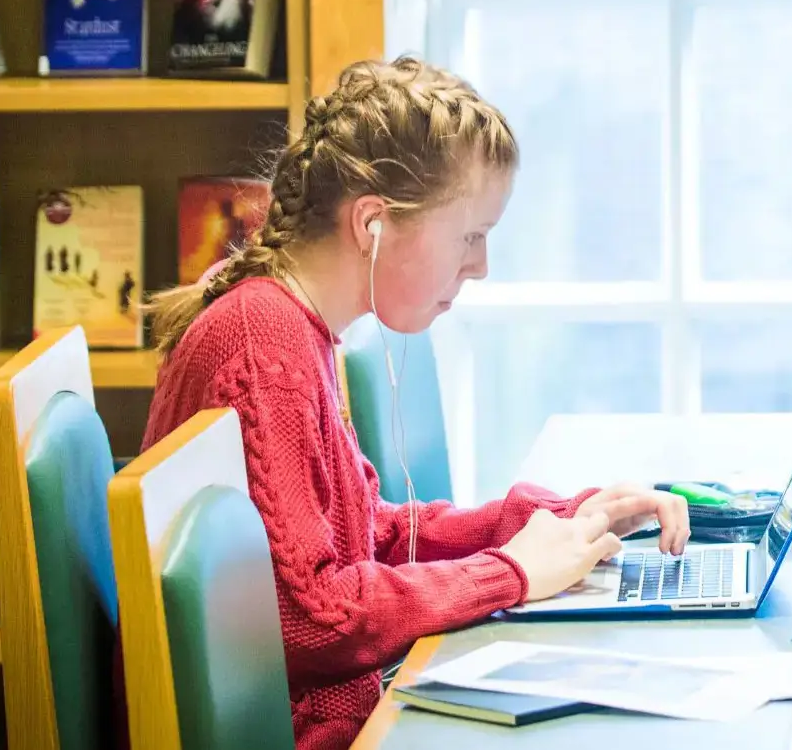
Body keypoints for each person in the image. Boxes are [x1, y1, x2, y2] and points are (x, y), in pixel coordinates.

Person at [144, 57, 691, 750]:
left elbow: (364, 534)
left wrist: (553, 521)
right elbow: (316, 618)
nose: (480, 265)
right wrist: (512, 574)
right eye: (468, 236)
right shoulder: (265, 348)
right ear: (372, 224)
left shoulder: (288, 323)